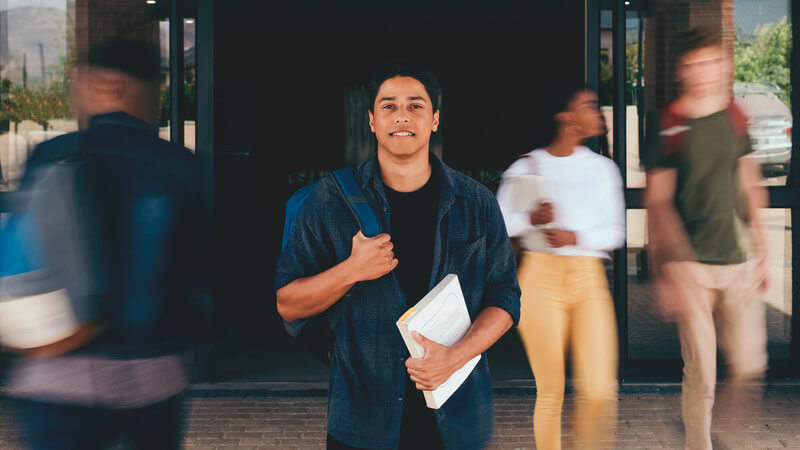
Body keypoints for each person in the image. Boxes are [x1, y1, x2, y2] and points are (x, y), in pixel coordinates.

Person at [275, 60, 521, 450]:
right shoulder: (326, 202)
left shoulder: (477, 202)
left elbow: (505, 296)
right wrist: (351, 270)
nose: (402, 116)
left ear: (435, 119)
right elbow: (288, 304)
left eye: (415, 105)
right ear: (372, 120)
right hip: (362, 419)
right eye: (389, 106)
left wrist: (455, 356)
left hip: (456, 417)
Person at [1, 38, 210, 449]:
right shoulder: (178, 164)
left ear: (106, 85)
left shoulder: (51, 154)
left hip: (58, 376)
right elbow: (201, 269)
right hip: (154, 375)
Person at [642, 26, 769, 450]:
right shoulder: (669, 123)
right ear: (682, 70)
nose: (702, 73)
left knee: (751, 363)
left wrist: (764, 252)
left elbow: (751, 184)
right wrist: (665, 271)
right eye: (693, 65)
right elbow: (658, 202)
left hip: (736, 260)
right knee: (703, 373)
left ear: (724, 66)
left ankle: (723, 430)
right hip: (689, 266)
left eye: (711, 63)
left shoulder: (735, 117)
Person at [496, 84, 625, 450]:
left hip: (589, 282)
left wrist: (575, 238)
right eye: (588, 105)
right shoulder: (527, 166)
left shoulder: (604, 170)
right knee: (551, 390)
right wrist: (531, 217)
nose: (597, 111)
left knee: (601, 391)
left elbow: (615, 232)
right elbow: (500, 224)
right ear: (565, 118)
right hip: (539, 279)